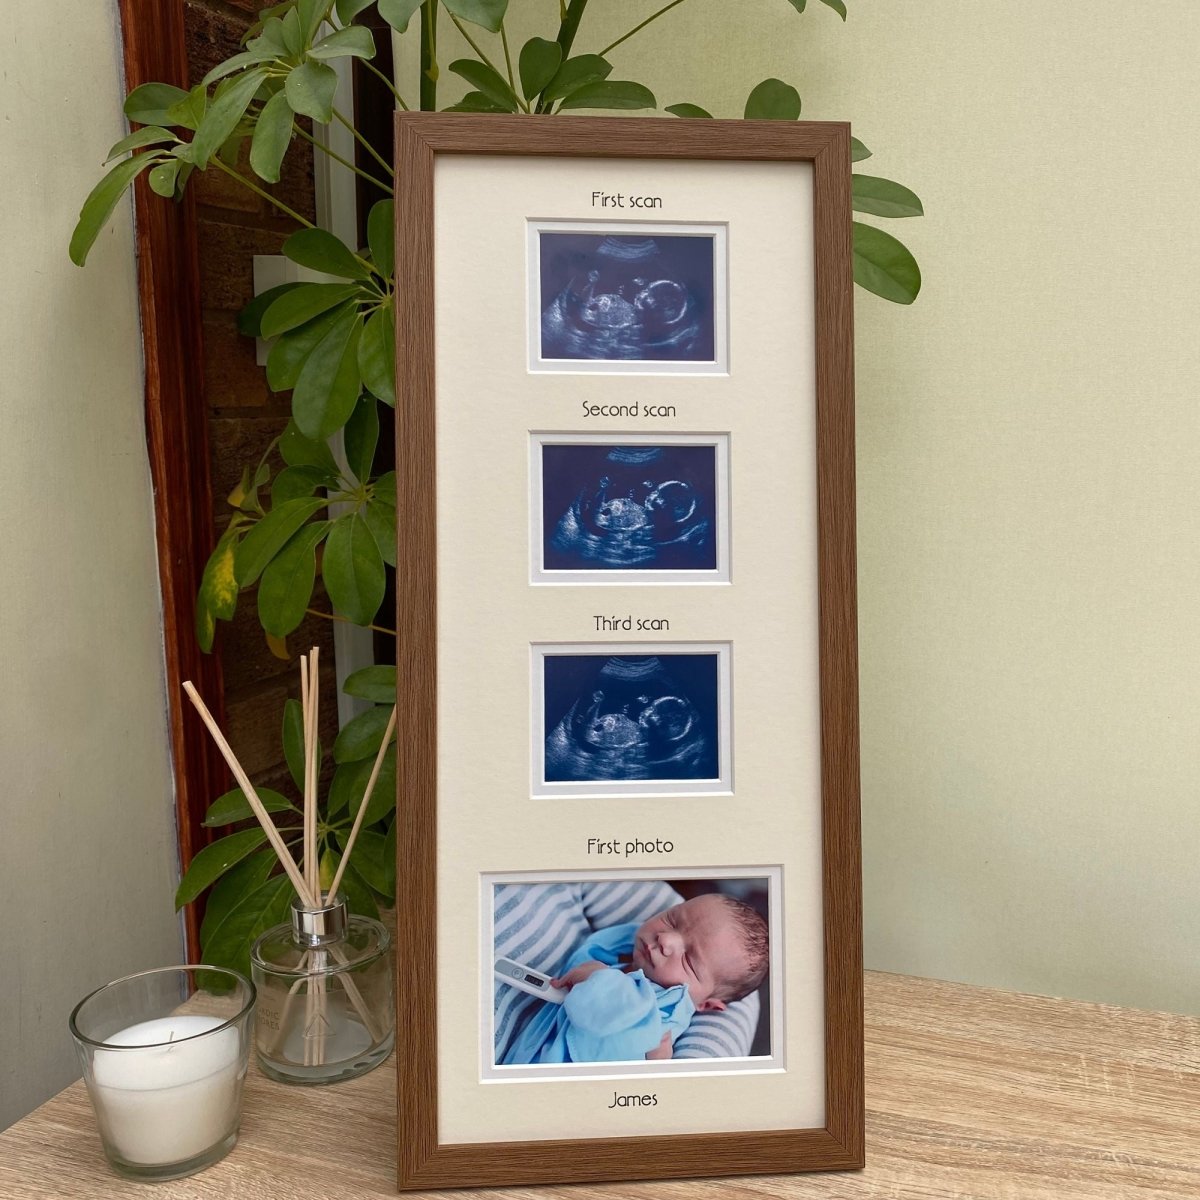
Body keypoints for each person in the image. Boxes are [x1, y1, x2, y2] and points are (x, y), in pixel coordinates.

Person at [500, 893, 768, 1065]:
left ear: (706, 1005)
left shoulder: (666, 1006)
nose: (666, 939)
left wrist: (596, 977)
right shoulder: (633, 963)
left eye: (688, 959)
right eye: (672, 920)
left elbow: (607, 1017)